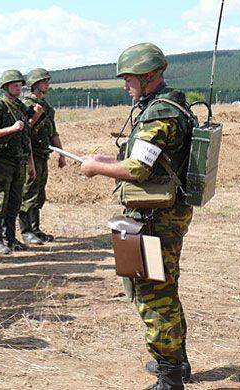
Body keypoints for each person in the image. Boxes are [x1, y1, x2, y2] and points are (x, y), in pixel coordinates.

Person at [80, 43, 194, 390]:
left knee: (153, 294)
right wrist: (106, 157)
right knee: (165, 288)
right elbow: (147, 157)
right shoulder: (167, 105)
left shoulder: (160, 113)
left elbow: (138, 168)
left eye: (129, 78)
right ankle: (177, 362)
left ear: (149, 76)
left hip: (156, 219)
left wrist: (96, 168)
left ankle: (169, 377)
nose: (125, 85)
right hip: (164, 214)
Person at [0, 70, 36, 255]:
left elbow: (26, 138)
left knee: (15, 201)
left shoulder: (21, 107)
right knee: (0, 200)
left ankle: (10, 238)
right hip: (2, 160)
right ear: (6, 87)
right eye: (15, 85)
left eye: (20, 85)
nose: (18, 87)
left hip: (19, 160)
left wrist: (30, 162)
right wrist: (11, 129)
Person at [19, 68, 66, 245]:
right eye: (44, 81)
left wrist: (61, 154)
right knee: (28, 192)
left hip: (42, 155)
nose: (47, 84)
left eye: (47, 81)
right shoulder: (26, 105)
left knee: (39, 194)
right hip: (30, 155)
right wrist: (34, 116)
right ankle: (26, 231)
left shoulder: (46, 107)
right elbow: (22, 131)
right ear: (35, 85)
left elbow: (53, 132)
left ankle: (35, 229)